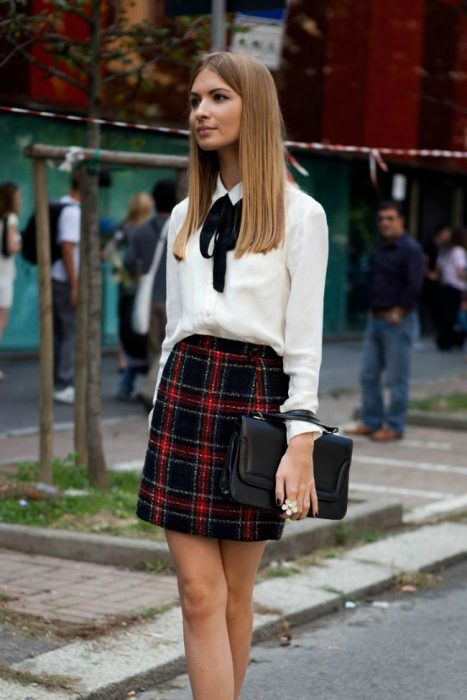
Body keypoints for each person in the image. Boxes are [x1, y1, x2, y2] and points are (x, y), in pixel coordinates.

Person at [136, 52, 328, 700]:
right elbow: (174, 328)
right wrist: (158, 407)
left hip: (256, 397)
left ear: (254, 107)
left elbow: (303, 343)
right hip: (187, 391)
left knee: (237, 594)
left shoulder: (302, 216)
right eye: (194, 100)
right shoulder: (181, 216)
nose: (199, 112)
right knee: (198, 593)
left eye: (217, 97)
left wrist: (300, 438)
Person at [348, 200, 424, 441]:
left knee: (396, 378)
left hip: (398, 322)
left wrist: (399, 311)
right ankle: (371, 422)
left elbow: (415, 286)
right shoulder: (381, 248)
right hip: (375, 320)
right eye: (381, 219)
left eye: (390, 218)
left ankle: (394, 426)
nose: (384, 223)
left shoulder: (411, 249)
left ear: (401, 220)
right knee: (368, 374)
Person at [123, 179, 177, 408]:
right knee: (168, 349)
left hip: (148, 299)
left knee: (155, 348)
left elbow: (128, 262)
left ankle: (155, 393)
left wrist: (142, 275)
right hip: (174, 298)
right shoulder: (182, 226)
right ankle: (152, 392)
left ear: (154, 200)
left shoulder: (142, 229)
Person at [109, 192, 155, 399]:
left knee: (127, 326)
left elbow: (110, 250)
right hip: (148, 286)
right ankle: (143, 382)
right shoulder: (152, 229)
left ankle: (124, 362)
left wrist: (119, 269)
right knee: (146, 332)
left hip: (128, 285)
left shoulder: (124, 227)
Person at [51, 173, 81, 404]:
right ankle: (63, 382)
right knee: (68, 332)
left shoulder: (65, 207)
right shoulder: (72, 212)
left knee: (63, 332)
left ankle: (60, 381)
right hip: (64, 280)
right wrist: (75, 284)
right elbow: (67, 248)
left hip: (61, 279)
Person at [0, 182, 22, 379]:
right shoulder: (11, 219)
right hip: (4, 277)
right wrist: (18, 244)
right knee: (0, 322)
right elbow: (10, 246)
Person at [434, 227, 466, 350]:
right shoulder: (458, 251)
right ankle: (451, 341)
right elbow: (460, 271)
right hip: (455, 286)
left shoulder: (446, 250)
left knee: (446, 315)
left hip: (445, 285)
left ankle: (444, 341)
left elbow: (439, 268)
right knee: (452, 316)